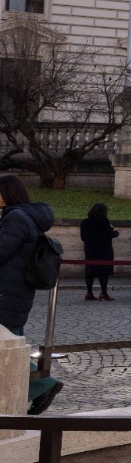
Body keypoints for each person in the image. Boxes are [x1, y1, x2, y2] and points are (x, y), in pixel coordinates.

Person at [0, 175, 63, 414]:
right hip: (13, 291)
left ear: (8, 192)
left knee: (7, 341)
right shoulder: (23, 216)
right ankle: (38, 386)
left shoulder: (16, 217)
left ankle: (44, 385)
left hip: (6, 291)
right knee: (11, 340)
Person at [79, 202, 118, 301]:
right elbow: (109, 234)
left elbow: (83, 237)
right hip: (103, 250)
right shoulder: (103, 221)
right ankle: (103, 293)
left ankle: (89, 292)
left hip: (90, 250)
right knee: (104, 272)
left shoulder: (85, 222)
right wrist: (115, 232)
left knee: (90, 271)